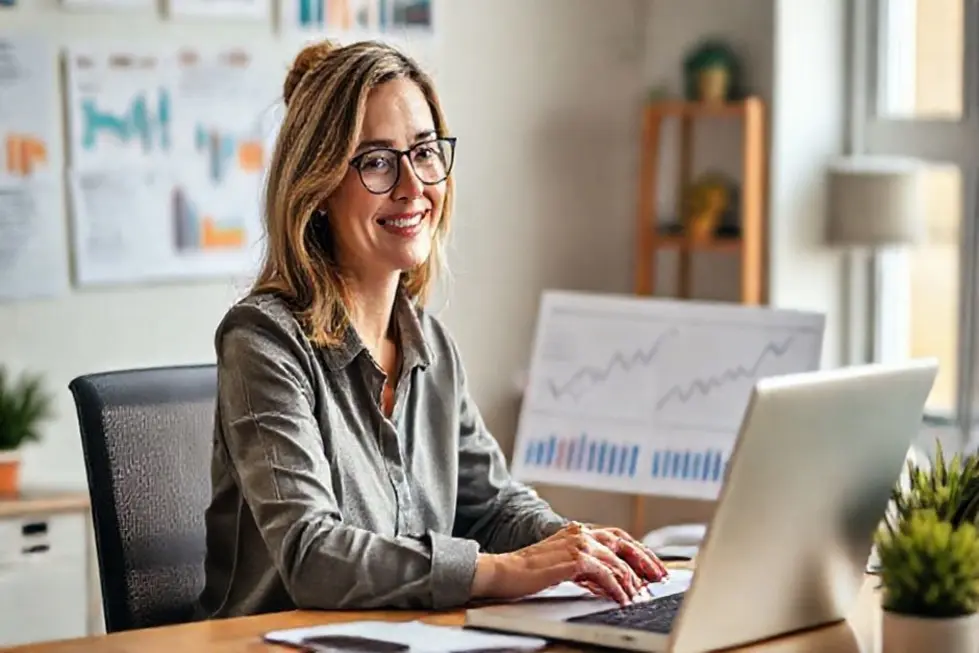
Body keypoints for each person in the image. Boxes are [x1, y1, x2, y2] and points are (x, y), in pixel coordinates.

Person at [196, 38, 668, 619]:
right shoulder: (263, 342)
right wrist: (506, 570)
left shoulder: (429, 345)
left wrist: (575, 544)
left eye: (423, 153)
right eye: (375, 161)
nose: (413, 186)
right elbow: (312, 556)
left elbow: (492, 507)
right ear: (317, 189)